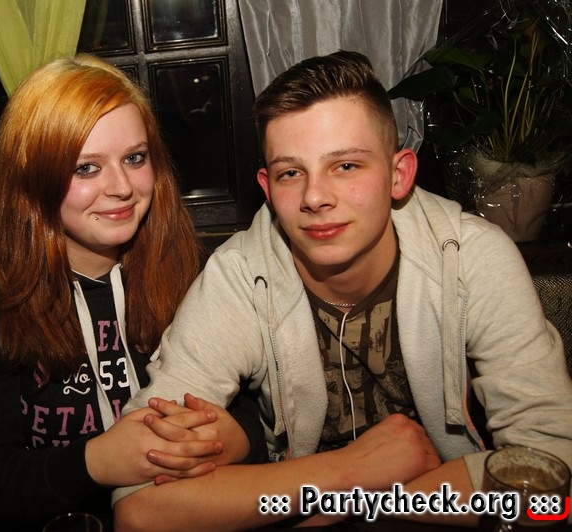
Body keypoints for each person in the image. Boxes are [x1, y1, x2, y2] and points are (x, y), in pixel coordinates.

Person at [112, 50, 572, 530]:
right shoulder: (240, 278)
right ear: (268, 189)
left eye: (346, 166)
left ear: (399, 175)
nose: (314, 197)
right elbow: (139, 507)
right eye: (291, 173)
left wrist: (364, 503)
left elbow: (554, 479)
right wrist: (351, 473)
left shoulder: (471, 259)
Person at [0, 54, 263, 529]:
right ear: (33, 176)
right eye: (86, 168)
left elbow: (258, 408)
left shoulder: (192, 269)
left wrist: (239, 438)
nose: (122, 187)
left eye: (134, 158)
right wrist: (96, 461)